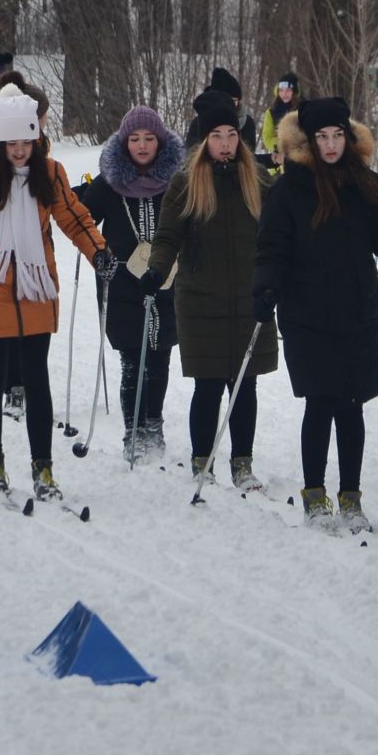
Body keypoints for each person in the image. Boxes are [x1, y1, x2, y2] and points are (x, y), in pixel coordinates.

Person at [0, 84, 110, 499]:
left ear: (36, 139)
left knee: (36, 379)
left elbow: (74, 217)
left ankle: (43, 468)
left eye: (25, 142)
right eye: (10, 142)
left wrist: (99, 254)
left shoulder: (50, 173)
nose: (18, 150)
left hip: (35, 287)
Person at [254, 96, 378, 531]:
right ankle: (315, 492)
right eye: (323, 137)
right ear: (309, 140)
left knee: (353, 405)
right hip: (308, 313)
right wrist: (265, 286)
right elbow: (272, 248)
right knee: (320, 404)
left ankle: (351, 496)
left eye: (339, 135)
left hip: (358, 310)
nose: (332, 144)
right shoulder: (289, 188)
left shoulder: (365, 182)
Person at [145, 89, 280, 486]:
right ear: (204, 140)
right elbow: (168, 236)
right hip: (201, 298)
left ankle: (242, 463)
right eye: (217, 135)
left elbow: (278, 232)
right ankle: (202, 461)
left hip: (250, 299)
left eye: (231, 134)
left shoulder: (258, 180)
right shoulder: (187, 182)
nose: (225, 143)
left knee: (243, 385)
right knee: (207, 386)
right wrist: (156, 270)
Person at [79, 106, 186, 462]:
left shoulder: (177, 181)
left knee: (160, 357)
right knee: (131, 359)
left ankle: (153, 424)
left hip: (166, 280)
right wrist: (99, 253)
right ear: (125, 143)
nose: (142, 145)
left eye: (149, 138)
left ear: (160, 142)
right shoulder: (110, 183)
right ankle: (133, 431)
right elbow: (83, 222)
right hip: (122, 281)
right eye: (135, 139)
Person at [257, 72, 300, 168]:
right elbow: (267, 137)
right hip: (278, 161)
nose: (284, 94)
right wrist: (282, 145)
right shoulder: (271, 111)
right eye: (281, 90)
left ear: (294, 92)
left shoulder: (302, 109)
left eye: (288, 90)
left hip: (299, 158)